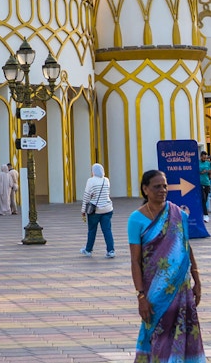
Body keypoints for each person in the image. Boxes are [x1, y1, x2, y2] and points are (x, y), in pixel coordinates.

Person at [128, 170, 205, 362]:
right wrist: (141, 296)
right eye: (156, 187)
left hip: (181, 288)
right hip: (154, 291)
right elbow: (135, 261)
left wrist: (197, 280)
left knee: (184, 332)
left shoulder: (178, 214)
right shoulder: (136, 219)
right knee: (157, 334)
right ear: (145, 190)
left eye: (164, 186)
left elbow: (187, 247)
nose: (162, 190)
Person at [80, 163, 115, 258]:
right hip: (107, 209)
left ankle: (88, 250)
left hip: (95, 211)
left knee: (92, 230)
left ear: (93, 171)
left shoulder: (91, 181)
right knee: (107, 230)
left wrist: (83, 210)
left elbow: (86, 196)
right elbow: (107, 193)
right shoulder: (106, 180)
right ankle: (111, 250)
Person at [199, 151, 210, 223]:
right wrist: (201, 172)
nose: (204, 158)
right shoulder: (198, 163)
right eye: (203, 157)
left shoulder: (208, 163)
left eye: (205, 157)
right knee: (203, 198)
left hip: (207, 183)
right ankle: (205, 215)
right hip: (200, 183)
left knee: (205, 200)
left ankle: (202, 212)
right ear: (201, 156)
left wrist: (208, 171)